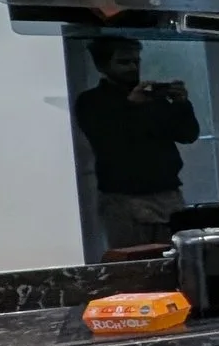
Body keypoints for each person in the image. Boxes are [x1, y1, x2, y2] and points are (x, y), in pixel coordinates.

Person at [73, 38, 201, 254]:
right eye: (124, 62)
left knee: (177, 261)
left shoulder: (153, 99)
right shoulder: (91, 102)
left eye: (136, 61)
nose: (133, 67)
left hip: (166, 194)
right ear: (102, 67)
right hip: (123, 198)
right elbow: (107, 139)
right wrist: (130, 106)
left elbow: (187, 135)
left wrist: (182, 105)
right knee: (134, 265)